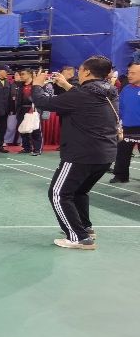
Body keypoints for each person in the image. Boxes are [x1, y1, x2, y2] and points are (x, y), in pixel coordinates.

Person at [29, 58, 120, 249]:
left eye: (80, 70)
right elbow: (86, 99)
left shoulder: (83, 93)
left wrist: (36, 85)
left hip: (81, 154)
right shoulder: (109, 91)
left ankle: (79, 237)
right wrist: (66, 85)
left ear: (87, 72)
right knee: (79, 191)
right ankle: (85, 228)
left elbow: (43, 102)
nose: (78, 73)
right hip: (105, 154)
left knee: (59, 194)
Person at [111, 60, 140, 183]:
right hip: (126, 127)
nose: (129, 75)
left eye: (133, 73)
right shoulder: (126, 89)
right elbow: (120, 107)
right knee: (122, 153)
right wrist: (118, 123)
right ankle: (120, 175)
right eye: (129, 72)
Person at [15, 68, 44, 155]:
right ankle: (26, 148)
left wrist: (34, 108)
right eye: (20, 74)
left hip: (33, 110)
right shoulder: (20, 85)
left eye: (23, 74)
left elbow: (41, 97)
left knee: (35, 130)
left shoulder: (36, 85)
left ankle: (37, 149)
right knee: (23, 130)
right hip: (21, 110)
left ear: (30, 74)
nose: (21, 76)